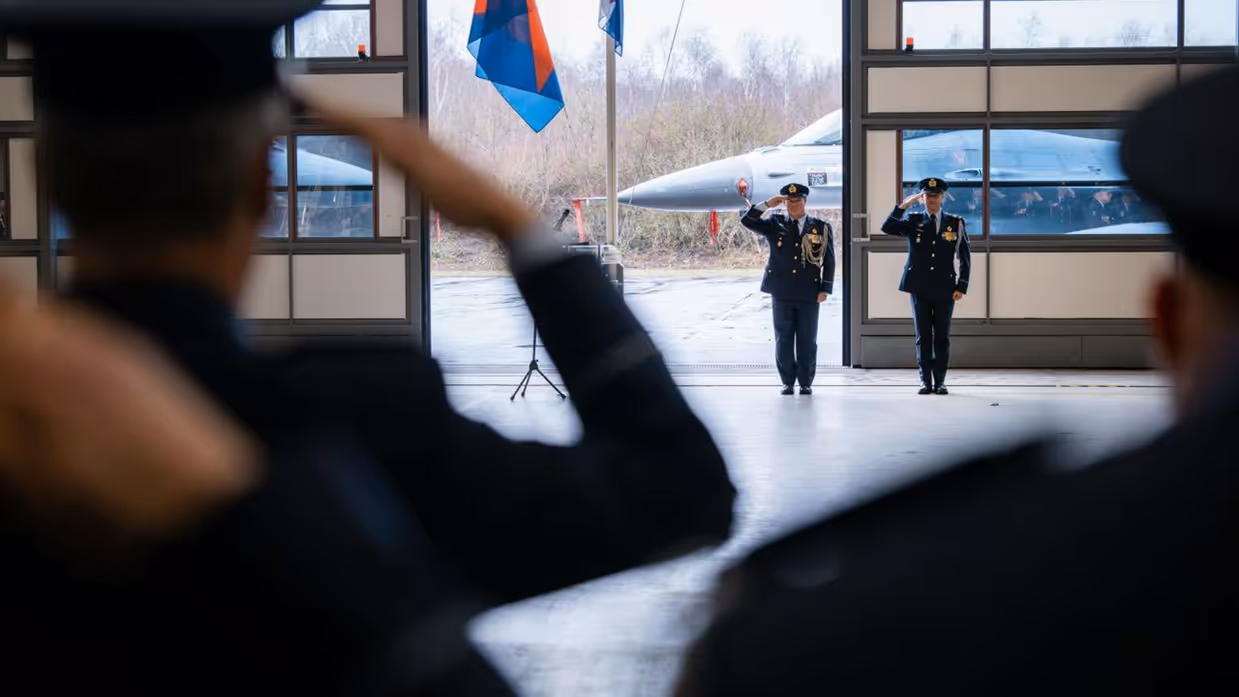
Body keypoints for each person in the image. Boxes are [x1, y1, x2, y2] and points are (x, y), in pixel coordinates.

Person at [3, 0, 736, 693]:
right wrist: (517, 229)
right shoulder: (368, 421)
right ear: (264, 185)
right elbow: (680, 494)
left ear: (46, 177)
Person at [674, 64, 1239, 696]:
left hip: (915, 292)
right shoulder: (903, 219)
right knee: (900, 341)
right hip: (888, 291)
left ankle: (899, 377)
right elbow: (887, 230)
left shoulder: (1056, 537)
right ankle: (899, 379)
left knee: (892, 340)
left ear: (1164, 317)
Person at [741, 183, 836, 394]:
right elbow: (747, 220)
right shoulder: (776, 223)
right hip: (781, 291)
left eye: (797, 200)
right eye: (789, 201)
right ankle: (787, 381)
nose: (793, 204)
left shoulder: (821, 227)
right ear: (784, 203)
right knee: (783, 339)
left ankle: (805, 383)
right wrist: (767, 204)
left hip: (809, 292)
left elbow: (829, 261)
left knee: (807, 339)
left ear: (805, 202)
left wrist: (825, 289)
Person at [881, 177, 972, 394]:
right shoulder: (914, 220)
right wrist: (904, 205)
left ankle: (940, 381)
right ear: (923, 198)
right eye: (928, 196)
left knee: (941, 336)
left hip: (945, 287)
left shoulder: (955, 223)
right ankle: (925, 381)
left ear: (943, 198)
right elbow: (887, 227)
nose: (932, 200)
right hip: (919, 286)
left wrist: (962, 285)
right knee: (923, 336)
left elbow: (965, 256)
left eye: (936, 196)